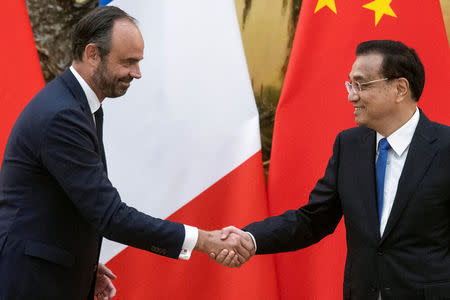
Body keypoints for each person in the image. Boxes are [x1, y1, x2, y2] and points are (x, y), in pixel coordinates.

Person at [0, 6, 252, 300]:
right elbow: (110, 216)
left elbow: (70, 204)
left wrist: (86, 267)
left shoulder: (79, 105)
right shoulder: (63, 115)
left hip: (50, 274)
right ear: (93, 54)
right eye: (129, 62)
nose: (137, 73)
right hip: (32, 282)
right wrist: (204, 240)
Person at [213, 40, 450, 300]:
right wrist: (250, 238)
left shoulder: (444, 148)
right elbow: (313, 220)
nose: (351, 95)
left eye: (361, 84)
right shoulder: (349, 145)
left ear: (400, 88)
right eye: (351, 84)